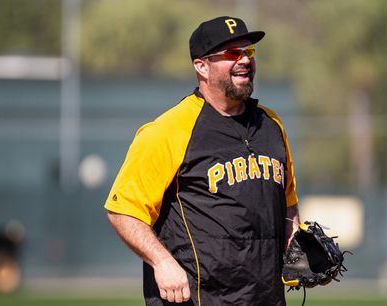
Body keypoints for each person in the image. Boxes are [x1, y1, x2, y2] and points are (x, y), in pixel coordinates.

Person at [104, 16, 300, 306]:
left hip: (265, 298)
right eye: (233, 53)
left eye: (249, 52)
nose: (245, 60)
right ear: (201, 66)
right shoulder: (169, 130)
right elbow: (123, 211)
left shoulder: (271, 126)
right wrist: (162, 262)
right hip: (198, 298)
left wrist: (296, 248)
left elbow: (288, 204)